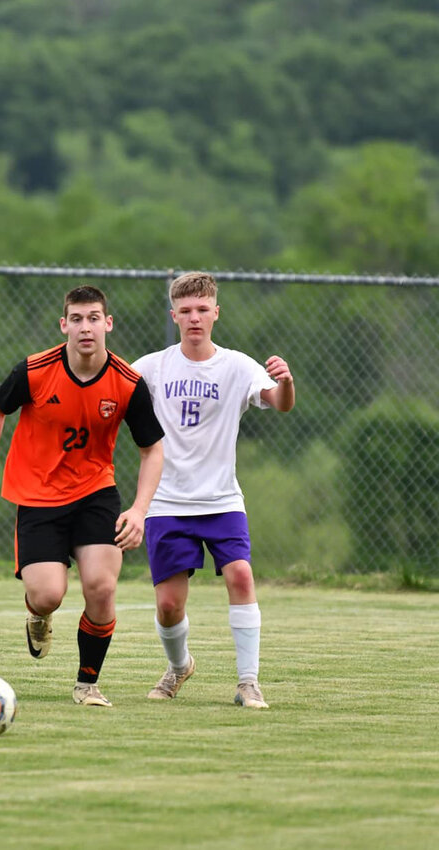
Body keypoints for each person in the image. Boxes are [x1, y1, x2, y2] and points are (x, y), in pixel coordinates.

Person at [0, 285, 164, 708]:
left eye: (94, 318)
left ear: (108, 324)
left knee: (101, 587)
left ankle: (87, 684)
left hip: (96, 493)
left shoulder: (128, 383)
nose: (85, 327)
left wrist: (140, 510)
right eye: (77, 319)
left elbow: (152, 450)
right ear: (64, 325)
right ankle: (38, 616)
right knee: (47, 594)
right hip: (37, 495)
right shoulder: (36, 371)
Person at [131, 271, 295, 709]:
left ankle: (248, 682)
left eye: (203, 309)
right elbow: (108, 400)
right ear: (174, 316)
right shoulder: (151, 366)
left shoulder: (238, 366)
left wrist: (287, 382)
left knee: (241, 574)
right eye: (185, 311)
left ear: (216, 313)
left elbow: (280, 401)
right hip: (166, 501)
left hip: (222, 499)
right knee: (168, 605)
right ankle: (179, 666)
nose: (194, 318)